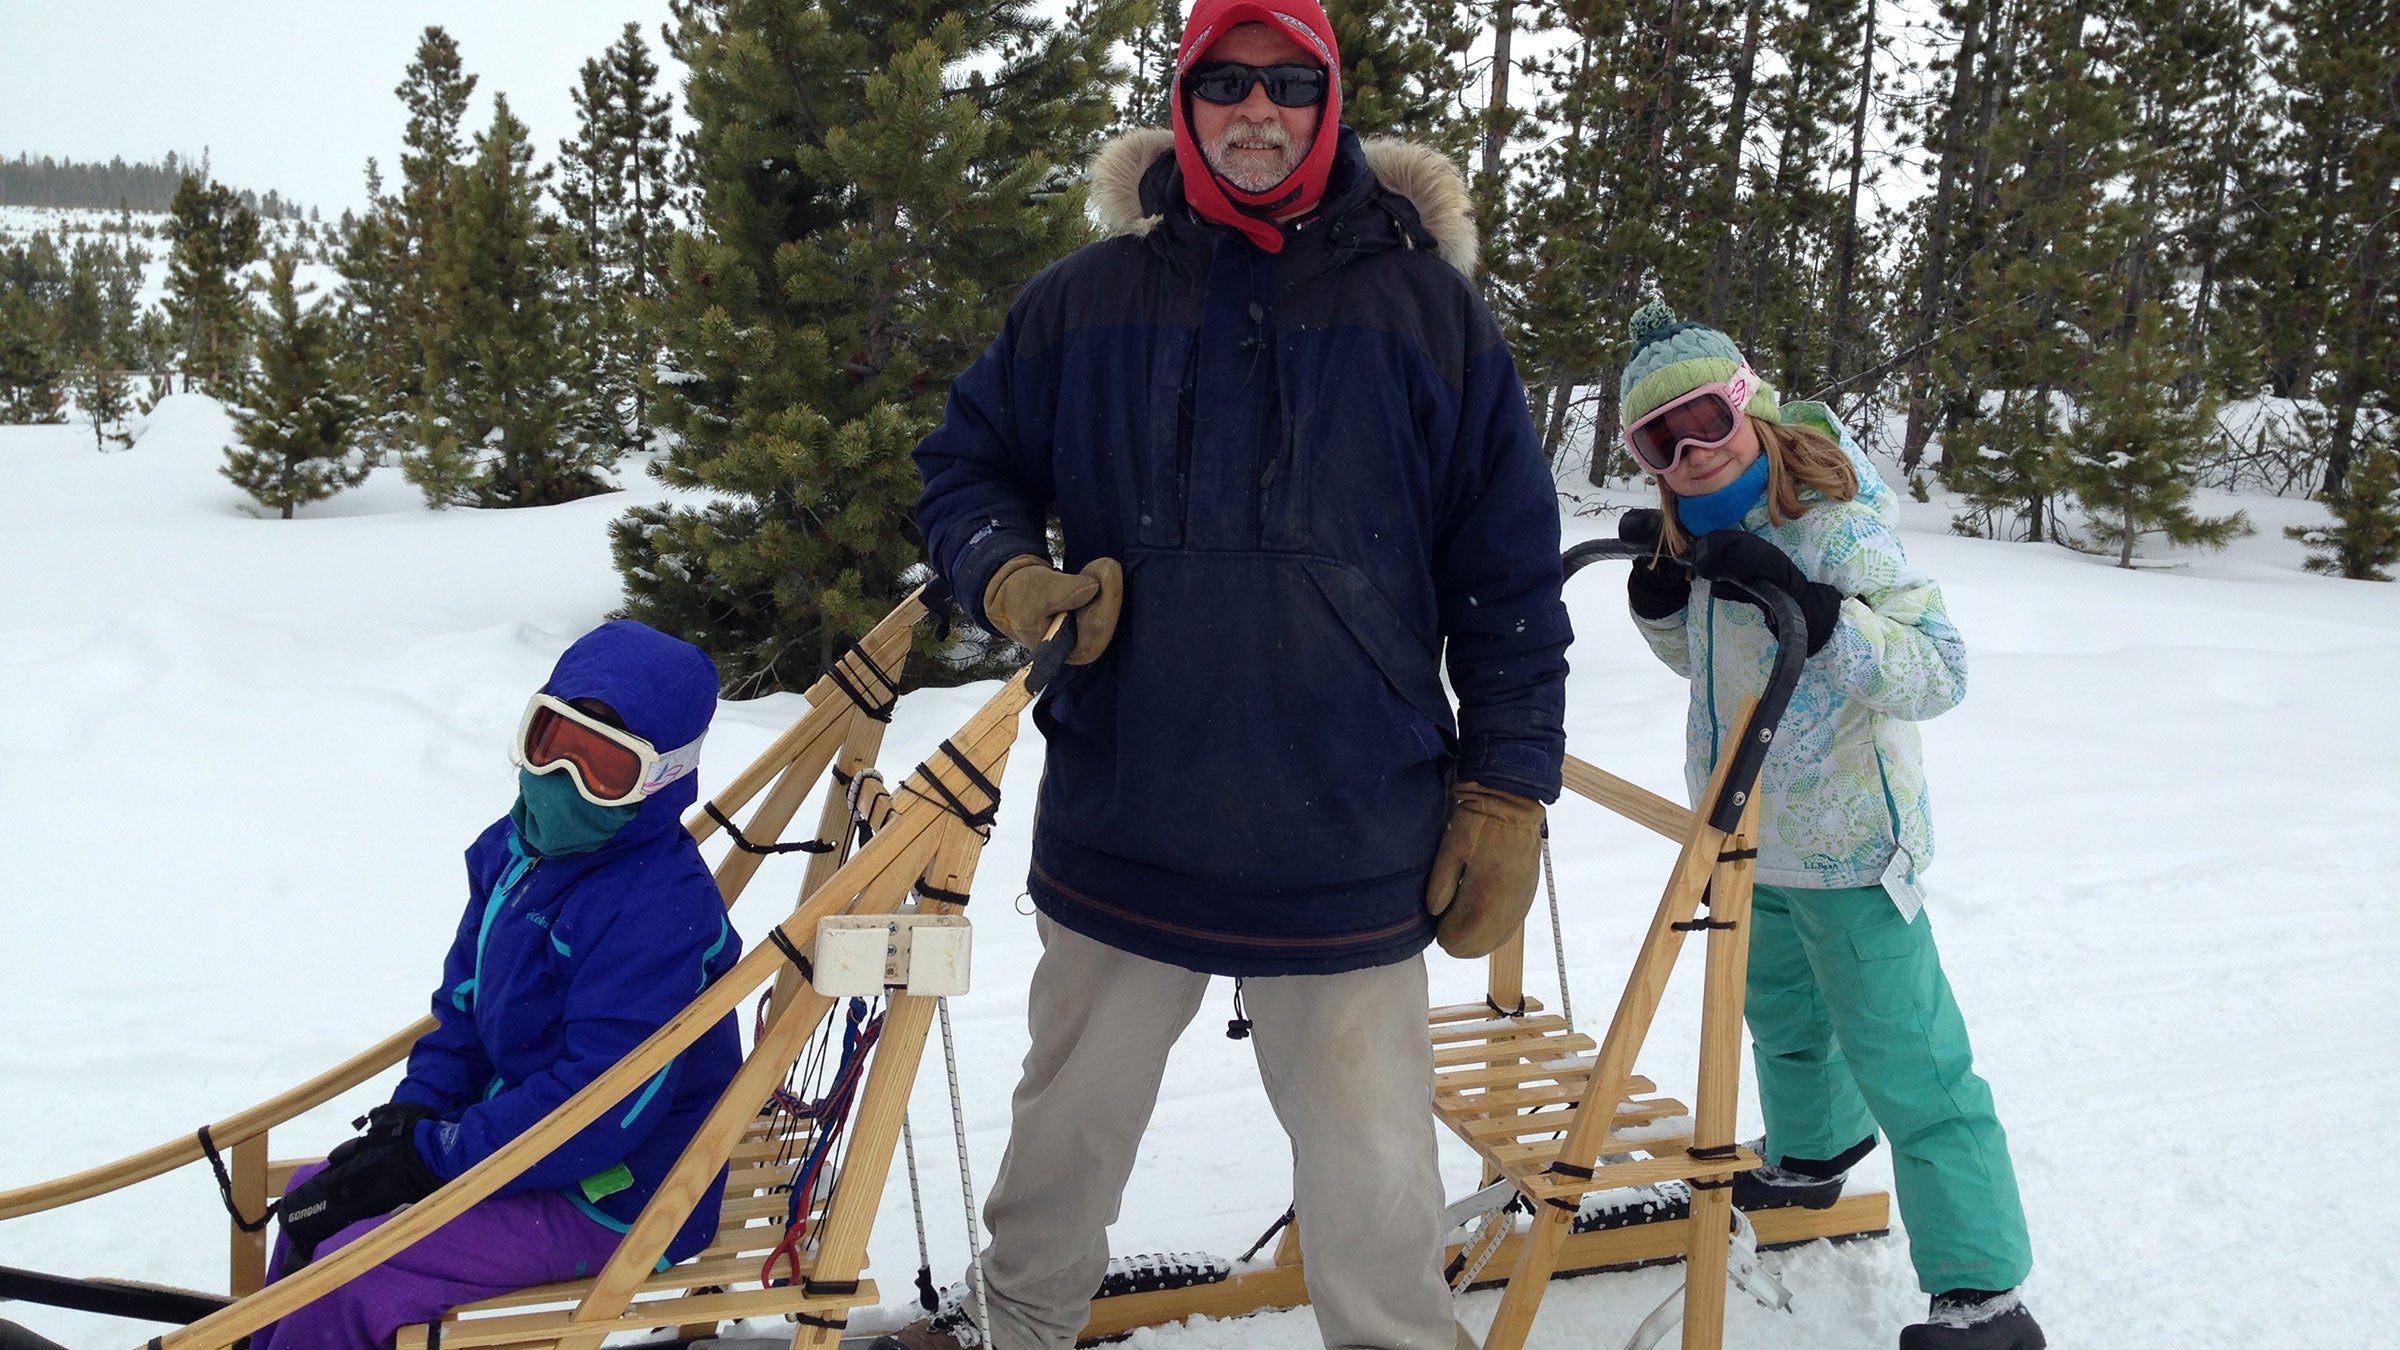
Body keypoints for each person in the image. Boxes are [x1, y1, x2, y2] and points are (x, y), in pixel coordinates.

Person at [896, 1, 1571, 1345]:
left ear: (1328, 102)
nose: (1255, 111)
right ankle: (1017, 1322)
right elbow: (963, 469)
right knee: (1062, 1136)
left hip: (1352, 822)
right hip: (1125, 811)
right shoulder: (1080, 303)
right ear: (1185, 98)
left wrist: (1506, 784)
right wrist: (1005, 573)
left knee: (1377, 1167)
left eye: (1286, 84)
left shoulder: (1429, 314)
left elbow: (1505, 571)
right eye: (1224, 82)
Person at [1612, 300, 2042, 1350]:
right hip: (1751, 835)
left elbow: (1938, 672)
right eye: (1659, 442)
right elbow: (1717, 672)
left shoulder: (1837, 526)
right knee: (1784, 1016)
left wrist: (1821, 611)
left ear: (1749, 402)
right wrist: (1665, 604)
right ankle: (1813, 1152)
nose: (1692, 453)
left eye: (1708, 420)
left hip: (1851, 845)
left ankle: (1987, 1291)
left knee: (1912, 1058)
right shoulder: (1706, 530)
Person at [252, 620, 744, 1349]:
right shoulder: (511, 855)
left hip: (622, 1192)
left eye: (603, 768)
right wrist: (414, 1113)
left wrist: (433, 1157)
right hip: (525, 1141)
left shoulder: (657, 911)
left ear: (664, 777)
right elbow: (464, 1014)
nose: (560, 783)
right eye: (552, 744)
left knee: (353, 1277)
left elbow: (602, 1108)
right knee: (310, 1203)